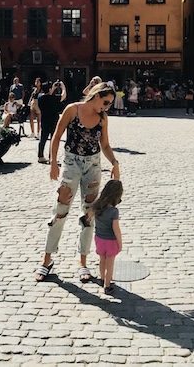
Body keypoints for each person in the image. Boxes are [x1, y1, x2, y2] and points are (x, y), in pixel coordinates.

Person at [35, 82, 119, 284]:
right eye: (106, 102)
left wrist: (115, 163)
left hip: (93, 167)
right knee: (60, 210)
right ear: (97, 95)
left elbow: (105, 144)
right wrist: (53, 163)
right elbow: (56, 136)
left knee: (89, 214)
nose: (106, 107)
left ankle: (83, 263)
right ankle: (47, 260)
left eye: (109, 105)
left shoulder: (103, 118)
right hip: (71, 164)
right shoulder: (72, 110)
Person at [88, 179, 123, 296]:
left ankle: (102, 279)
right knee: (110, 265)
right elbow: (116, 229)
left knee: (102, 261)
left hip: (99, 239)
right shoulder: (114, 211)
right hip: (111, 241)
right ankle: (107, 286)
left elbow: (88, 216)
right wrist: (120, 243)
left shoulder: (97, 206)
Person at [37, 81, 67, 163]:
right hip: (53, 120)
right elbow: (63, 96)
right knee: (53, 139)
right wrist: (63, 87)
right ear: (50, 89)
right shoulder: (54, 98)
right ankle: (51, 158)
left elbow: (46, 94)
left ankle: (40, 156)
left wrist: (52, 89)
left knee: (43, 139)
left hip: (44, 120)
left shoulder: (40, 98)